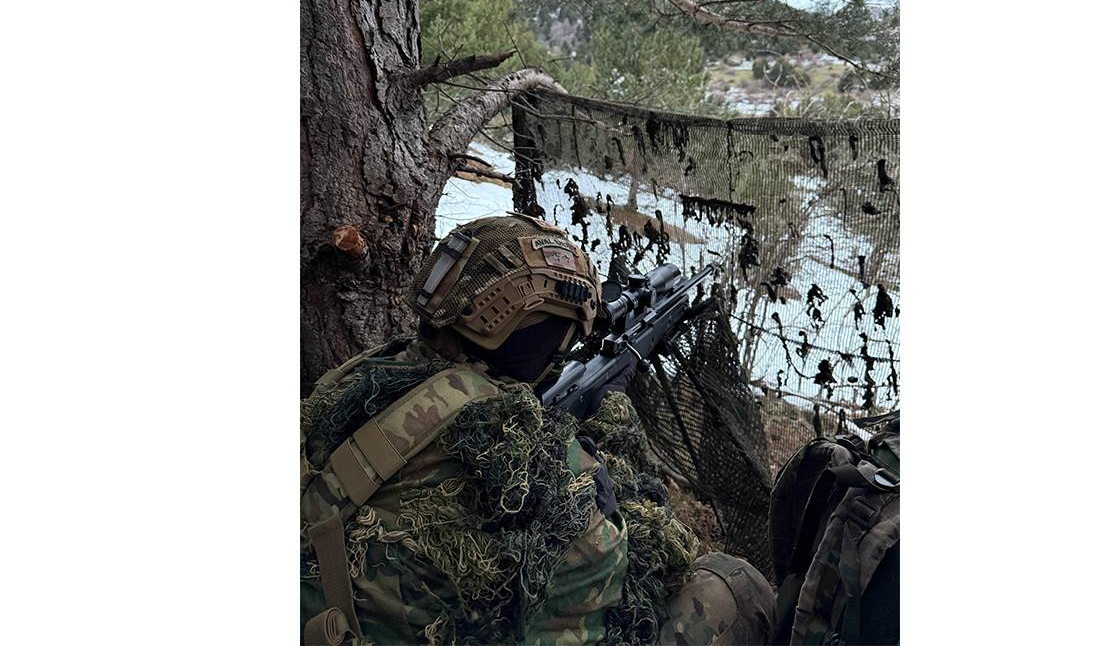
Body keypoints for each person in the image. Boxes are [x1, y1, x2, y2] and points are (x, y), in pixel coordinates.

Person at [301, 213, 774, 646]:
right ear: (532, 336)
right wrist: (601, 474)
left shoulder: (362, 378)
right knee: (733, 585)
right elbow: (590, 615)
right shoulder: (540, 464)